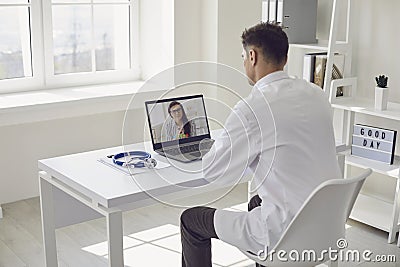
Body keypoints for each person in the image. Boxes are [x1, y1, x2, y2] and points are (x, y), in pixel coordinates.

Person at [180, 22, 341, 267]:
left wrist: (218, 146)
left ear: (252, 56)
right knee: (256, 201)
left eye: (243, 56)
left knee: (191, 220)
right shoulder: (316, 94)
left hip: (286, 235)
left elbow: (213, 171)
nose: (244, 62)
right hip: (328, 227)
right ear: (285, 58)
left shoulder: (253, 108)